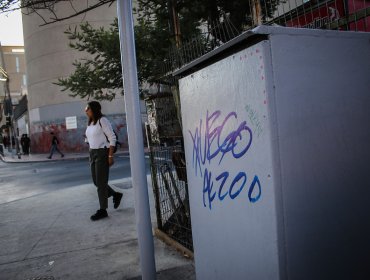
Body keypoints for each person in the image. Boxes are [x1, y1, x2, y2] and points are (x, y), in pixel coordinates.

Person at [85, 101, 123, 221]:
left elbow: (112, 138)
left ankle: (103, 210)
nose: (85, 110)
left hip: (102, 153)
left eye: (87, 108)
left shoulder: (103, 120)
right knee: (96, 182)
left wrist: (110, 156)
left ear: (94, 109)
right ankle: (115, 194)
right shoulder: (91, 122)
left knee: (101, 184)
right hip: (93, 153)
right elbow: (88, 138)